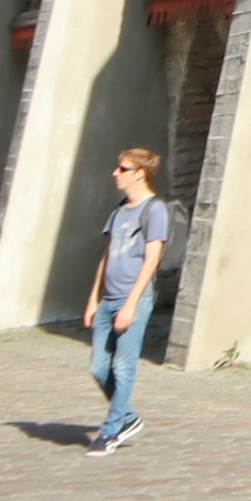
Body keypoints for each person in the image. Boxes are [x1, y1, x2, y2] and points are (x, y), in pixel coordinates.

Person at [81, 145, 171, 453]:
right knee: (98, 367)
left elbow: (151, 260)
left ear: (140, 173)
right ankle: (128, 416)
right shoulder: (119, 211)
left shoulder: (154, 210)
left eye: (123, 169)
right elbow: (106, 257)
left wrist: (131, 304)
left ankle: (110, 431)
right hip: (108, 299)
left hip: (133, 299)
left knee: (123, 366)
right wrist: (94, 299)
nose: (115, 174)